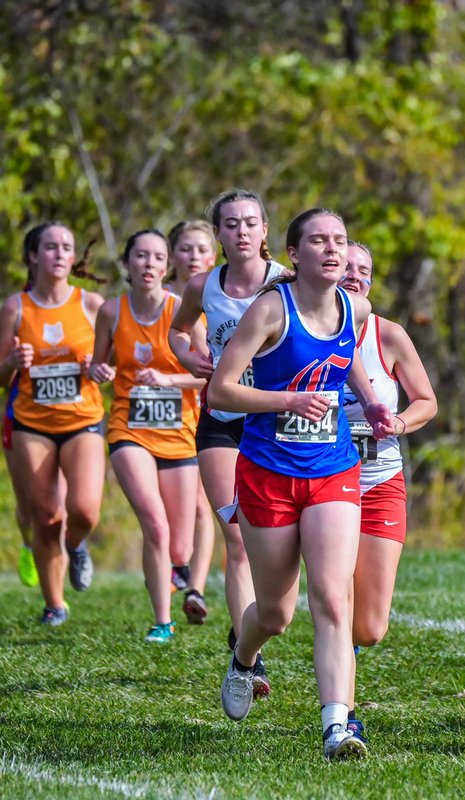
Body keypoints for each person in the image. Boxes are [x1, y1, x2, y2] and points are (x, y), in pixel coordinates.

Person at [207, 208, 393, 761]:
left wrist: (376, 406)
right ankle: (244, 658)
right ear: (294, 253)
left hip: (333, 469)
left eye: (339, 240)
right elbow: (220, 391)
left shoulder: (355, 308)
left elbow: (346, 363)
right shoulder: (270, 309)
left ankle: (339, 724)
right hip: (267, 473)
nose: (333, 250)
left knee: (333, 599)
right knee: (275, 613)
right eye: (319, 241)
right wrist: (288, 400)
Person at [169, 190, 287, 693]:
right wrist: (188, 358)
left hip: (277, 421)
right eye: (231, 224)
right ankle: (248, 654)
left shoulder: (286, 281)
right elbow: (177, 332)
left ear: (264, 230)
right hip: (222, 420)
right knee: (236, 537)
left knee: (275, 541)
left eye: (251, 223)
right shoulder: (202, 285)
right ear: (217, 234)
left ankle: (251, 627)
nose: (241, 231)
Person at [338, 241, 438, 740]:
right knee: (338, 599)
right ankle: (342, 713)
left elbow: (427, 401)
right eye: (348, 268)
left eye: (366, 271)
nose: (357, 277)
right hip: (324, 488)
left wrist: (398, 421)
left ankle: (344, 653)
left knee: (371, 626)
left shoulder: (388, 335)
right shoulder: (303, 332)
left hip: (380, 483)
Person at [0, 222, 107, 626]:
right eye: (50, 247)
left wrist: (99, 368)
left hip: (83, 420)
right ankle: (54, 604)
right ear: (33, 256)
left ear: (74, 258)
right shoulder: (15, 308)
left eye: (66, 247)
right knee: (45, 515)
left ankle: (77, 545)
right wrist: (12, 364)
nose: (59, 253)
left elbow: (114, 365)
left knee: (85, 511)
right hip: (32, 425)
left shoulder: (91, 304)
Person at [90, 229, 204, 643]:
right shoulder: (110, 311)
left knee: (179, 548)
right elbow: (96, 365)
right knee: (154, 524)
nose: (149, 264)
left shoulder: (185, 308)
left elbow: (205, 374)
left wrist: (167, 380)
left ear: (166, 265)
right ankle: (162, 621)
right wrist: (97, 371)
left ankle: (178, 570)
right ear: (127, 264)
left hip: (178, 434)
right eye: (140, 256)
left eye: (157, 257)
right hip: (128, 427)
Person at [166, 219, 220, 623]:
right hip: (153, 425)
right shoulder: (158, 299)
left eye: (202, 249)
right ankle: (175, 564)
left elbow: (209, 369)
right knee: (170, 508)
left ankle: (195, 587)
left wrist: (170, 379)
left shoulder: (215, 302)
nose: (194, 256)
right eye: (186, 248)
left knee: (205, 506)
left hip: (198, 415)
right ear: (172, 255)